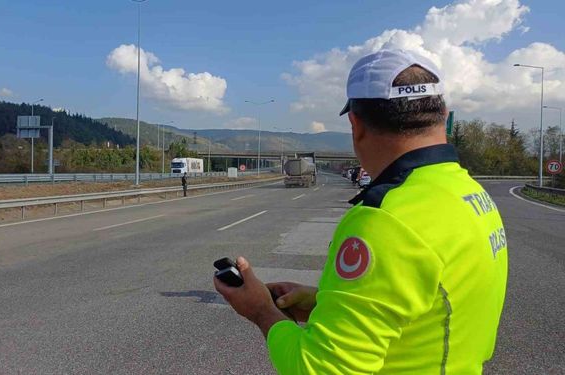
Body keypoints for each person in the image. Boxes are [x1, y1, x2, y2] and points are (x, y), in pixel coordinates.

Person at [214, 49, 508, 374]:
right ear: (444, 116)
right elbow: (427, 305)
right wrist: (324, 302)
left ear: (356, 125)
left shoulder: (386, 219)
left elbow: (316, 369)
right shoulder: (469, 193)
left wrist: (261, 311)